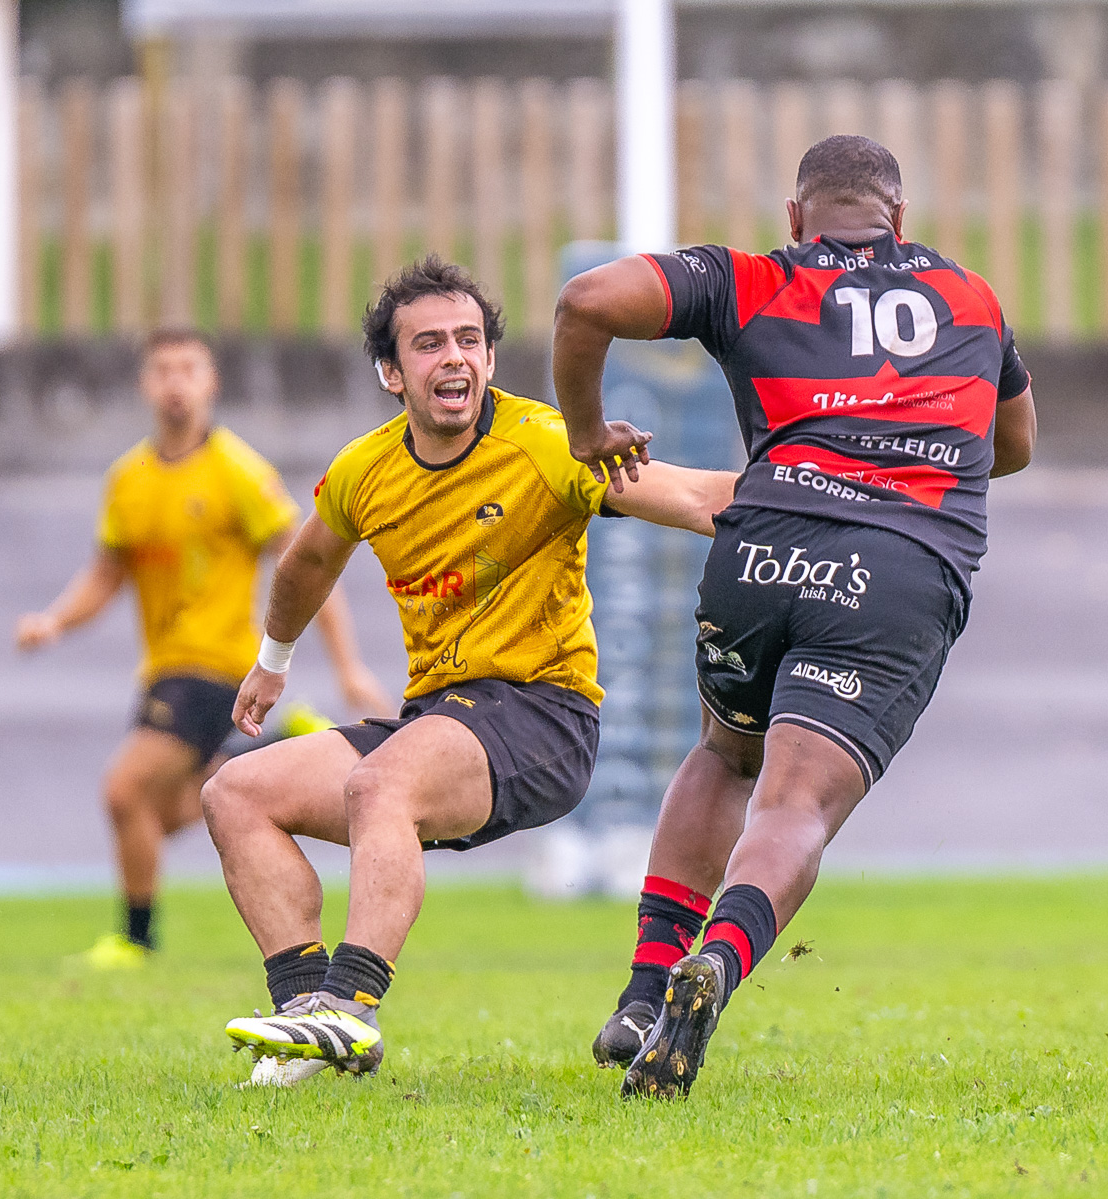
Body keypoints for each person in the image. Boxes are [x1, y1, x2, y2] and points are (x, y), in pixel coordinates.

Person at [552, 134, 1038, 1098]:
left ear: (795, 217)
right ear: (900, 219)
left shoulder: (750, 278)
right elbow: (1013, 445)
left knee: (724, 755)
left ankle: (645, 990)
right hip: (898, 566)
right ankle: (716, 966)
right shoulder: (972, 297)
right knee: (794, 805)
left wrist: (583, 434)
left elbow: (585, 302)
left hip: (762, 546)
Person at [205, 256, 736, 1086]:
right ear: (392, 373)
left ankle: (353, 1007)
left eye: (468, 340)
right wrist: (272, 662)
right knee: (236, 793)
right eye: (428, 345)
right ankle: (308, 1015)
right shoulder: (364, 471)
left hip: (544, 716)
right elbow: (306, 562)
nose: (453, 357)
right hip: (438, 719)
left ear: (490, 359)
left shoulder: (543, 443)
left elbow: (699, 499)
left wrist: (842, 505)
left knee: (383, 783)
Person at [15, 328, 391, 969]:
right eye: (163, 370)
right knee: (156, 820)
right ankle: (270, 748)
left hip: (216, 668)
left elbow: (307, 567)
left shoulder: (238, 471)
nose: (175, 383)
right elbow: (107, 574)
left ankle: (137, 941)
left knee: (121, 792)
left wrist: (350, 666)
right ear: (146, 384)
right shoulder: (127, 478)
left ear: (210, 381)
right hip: (163, 672)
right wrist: (55, 622)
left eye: (188, 369)